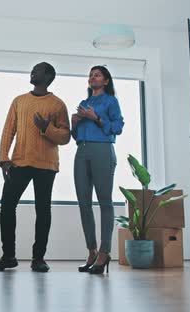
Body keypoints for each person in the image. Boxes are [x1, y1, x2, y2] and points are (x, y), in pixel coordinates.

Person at [0, 62, 70, 273]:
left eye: (37, 70)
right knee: (7, 207)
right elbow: (8, 130)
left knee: (43, 211)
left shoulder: (57, 105)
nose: (32, 71)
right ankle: (8, 256)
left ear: (49, 76)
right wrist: (3, 158)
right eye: (32, 69)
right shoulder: (19, 101)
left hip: (46, 165)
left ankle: (39, 259)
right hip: (19, 162)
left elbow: (65, 137)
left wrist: (46, 127)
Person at [72, 65, 124, 275]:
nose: (92, 78)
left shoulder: (111, 102)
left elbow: (118, 128)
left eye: (97, 75)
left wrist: (96, 118)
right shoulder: (84, 103)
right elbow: (76, 136)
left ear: (106, 81)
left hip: (102, 150)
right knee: (84, 203)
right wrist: (75, 124)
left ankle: (104, 252)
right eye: (91, 75)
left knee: (104, 202)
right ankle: (92, 251)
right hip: (82, 151)